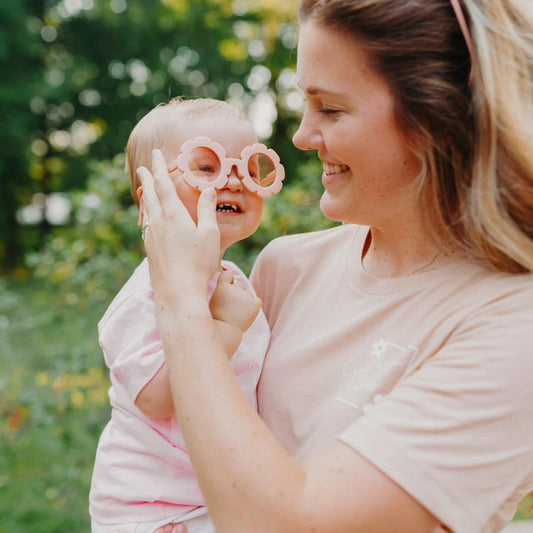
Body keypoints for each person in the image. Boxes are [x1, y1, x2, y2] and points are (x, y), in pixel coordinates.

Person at [137, 0, 533, 532]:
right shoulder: (285, 269)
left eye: (330, 108)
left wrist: (182, 302)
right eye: (306, 103)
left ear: (435, 121)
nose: (301, 136)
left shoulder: (514, 325)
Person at [89, 97, 285, 533]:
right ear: (151, 199)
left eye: (251, 168)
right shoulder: (144, 296)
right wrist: (226, 326)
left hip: (215, 498)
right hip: (155, 509)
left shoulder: (235, 281)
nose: (234, 181)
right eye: (207, 166)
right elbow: (156, 398)